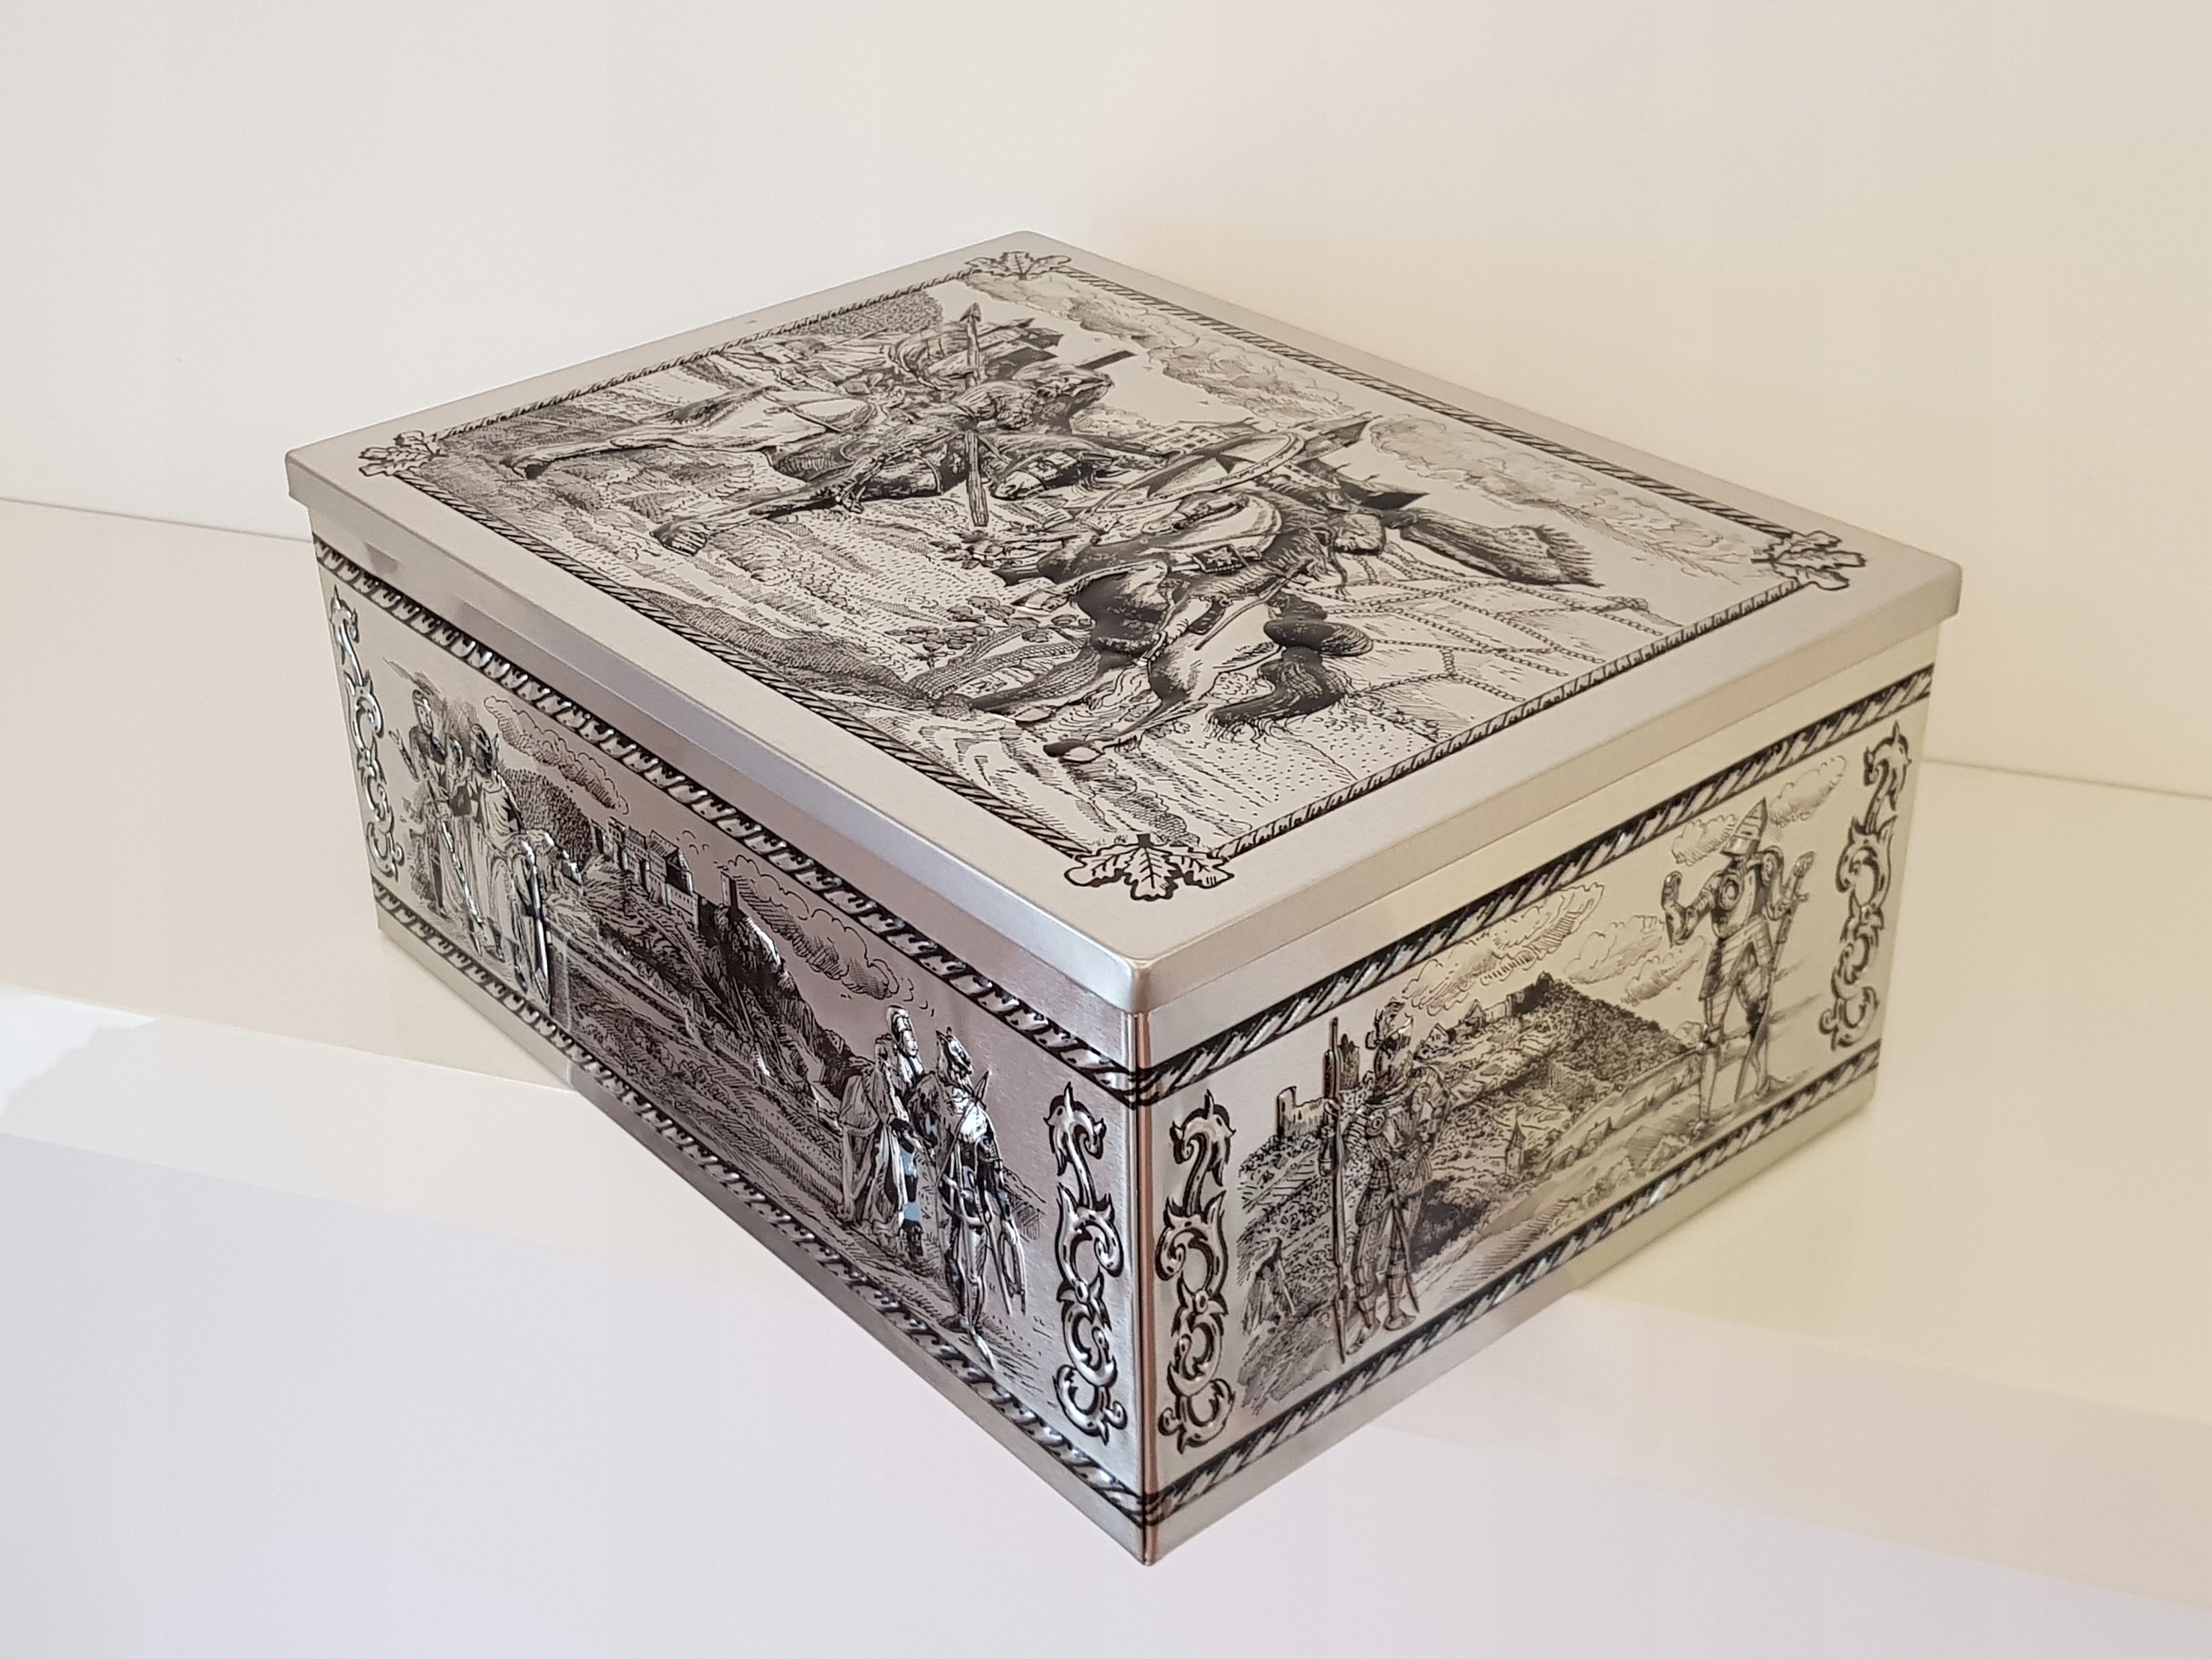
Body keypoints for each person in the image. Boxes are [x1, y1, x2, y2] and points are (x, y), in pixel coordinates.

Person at [1660, 800, 1814, 1110]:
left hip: (1756, 949)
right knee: (1712, 1037)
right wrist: (1671, 907)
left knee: (1759, 1018)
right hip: (1725, 957)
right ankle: (1704, 1114)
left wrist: (1793, 883)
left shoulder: (1765, 870)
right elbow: (1686, 925)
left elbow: (1774, 909)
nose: (1741, 858)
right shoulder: (1718, 883)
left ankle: (1762, 1082)